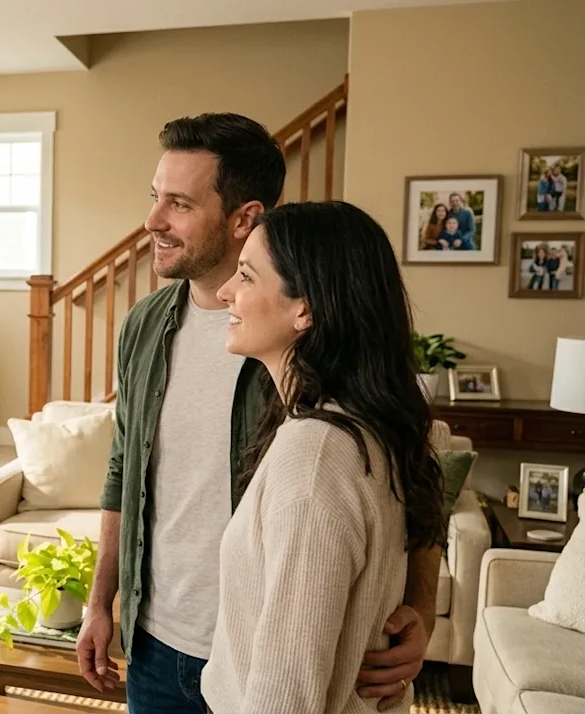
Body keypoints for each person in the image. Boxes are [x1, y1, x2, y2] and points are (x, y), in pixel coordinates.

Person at [74, 113, 441, 713]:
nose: (153, 221)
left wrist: (419, 611)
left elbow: (415, 477)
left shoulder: (312, 363)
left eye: (180, 204)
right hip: (157, 643)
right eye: (154, 197)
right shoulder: (143, 327)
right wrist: (100, 603)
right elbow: (123, 471)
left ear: (245, 218)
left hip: (262, 655)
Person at [200, 200, 446, 713]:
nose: (225, 291)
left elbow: (284, 700)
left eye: (245, 276)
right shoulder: (357, 426)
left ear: (304, 309)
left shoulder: (315, 457)